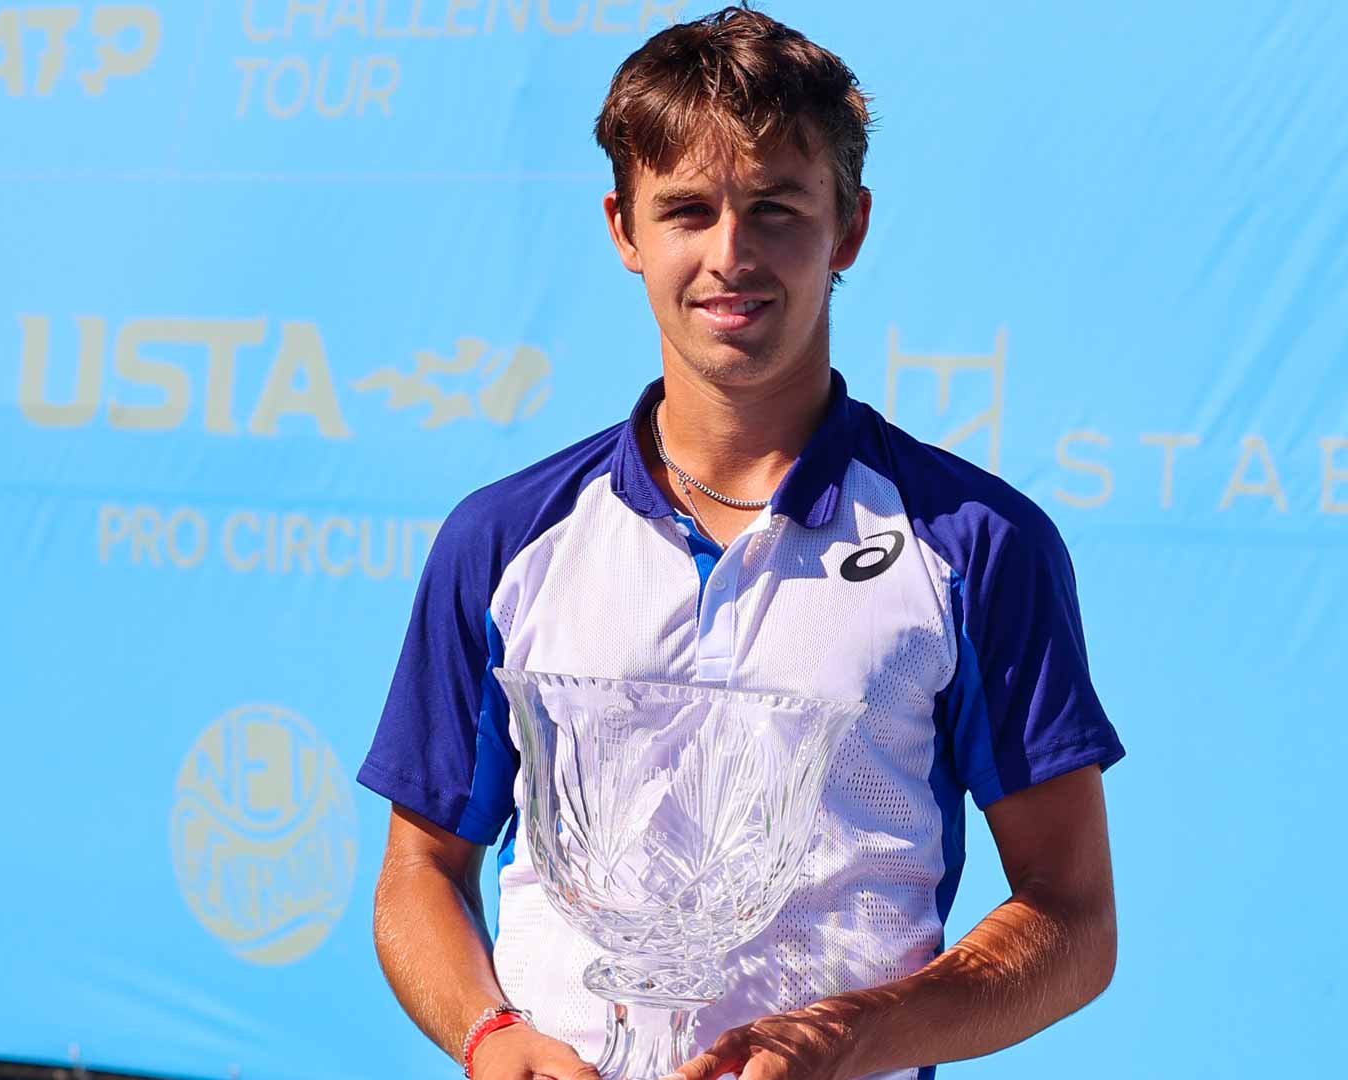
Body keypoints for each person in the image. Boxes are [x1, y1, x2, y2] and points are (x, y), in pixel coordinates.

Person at [357, 8, 1124, 1080]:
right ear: (624, 229)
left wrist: (852, 1033)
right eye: (687, 210)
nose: (730, 255)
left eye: (774, 208)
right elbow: (420, 872)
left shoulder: (978, 546)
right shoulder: (503, 540)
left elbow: (1073, 918)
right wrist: (490, 1036)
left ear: (848, 227)